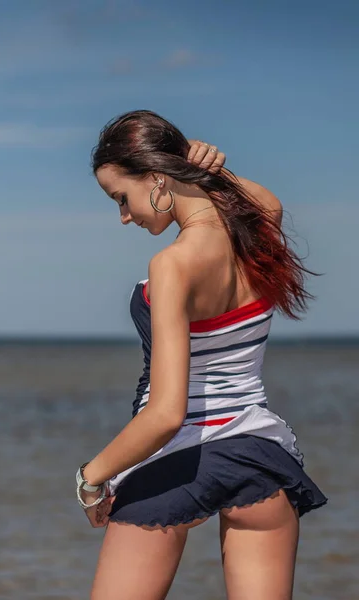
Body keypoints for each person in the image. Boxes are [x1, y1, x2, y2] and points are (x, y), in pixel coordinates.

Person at [75, 110, 327, 600]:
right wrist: (207, 169)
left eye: (121, 198)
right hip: (259, 457)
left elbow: (168, 414)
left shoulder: (174, 265)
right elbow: (263, 200)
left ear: (156, 178)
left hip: (177, 460)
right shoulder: (256, 238)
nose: (125, 216)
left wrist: (90, 478)